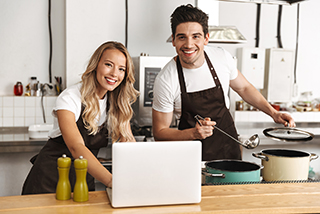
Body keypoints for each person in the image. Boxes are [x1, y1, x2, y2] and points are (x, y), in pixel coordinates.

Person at [152, 4, 295, 161]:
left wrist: (273, 113)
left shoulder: (221, 58)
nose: (188, 44)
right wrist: (193, 133)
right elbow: (160, 132)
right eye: (181, 37)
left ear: (206, 38)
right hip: (192, 158)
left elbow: (245, 88)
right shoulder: (166, 79)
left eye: (196, 36)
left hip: (229, 149)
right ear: (173, 40)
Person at [22, 41, 139, 194]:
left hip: (82, 182)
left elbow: (128, 143)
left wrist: (139, 175)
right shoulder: (70, 97)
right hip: (49, 181)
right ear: (96, 65)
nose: (114, 74)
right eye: (109, 65)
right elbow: (76, 147)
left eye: (121, 69)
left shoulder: (116, 103)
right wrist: (112, 181)